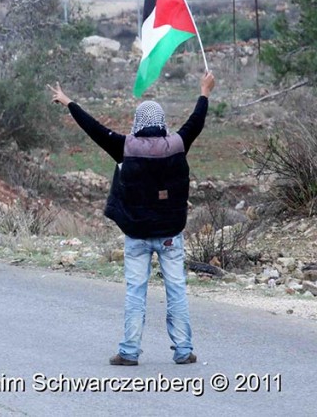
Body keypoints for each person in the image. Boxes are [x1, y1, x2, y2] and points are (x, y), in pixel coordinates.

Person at [48, 71, 215, 367]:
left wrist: (69, 102)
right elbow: (196, 121)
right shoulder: (178, 143)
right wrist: (204, 91)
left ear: (138, 123)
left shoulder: (124, 146)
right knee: (176, 289)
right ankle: (183, 350)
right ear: (161, 123)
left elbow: (94, 129)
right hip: (170, 233)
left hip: (136, 234)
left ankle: (129, 352)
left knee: (135, 292)